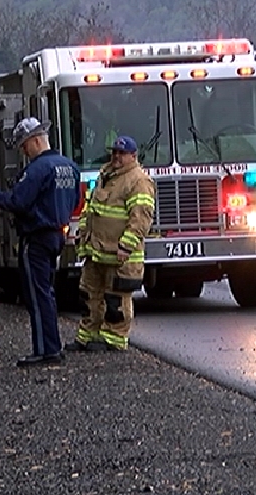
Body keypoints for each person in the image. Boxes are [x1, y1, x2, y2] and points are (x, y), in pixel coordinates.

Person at [0, 118, 80, 367]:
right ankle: (51, 345)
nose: (23, 151)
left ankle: (45, 350)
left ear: (35, 141)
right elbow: (76, 200)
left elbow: (17, 202)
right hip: (56, 234)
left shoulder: (37, 170)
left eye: (24, 145)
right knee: (47, 292)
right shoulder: (69, 166)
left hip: (36, 237)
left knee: (36, 295)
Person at [67, 135, 155, 352]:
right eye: (114, 152)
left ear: (133, 156)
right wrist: (83, 237)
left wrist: (126, 246)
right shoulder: (105, 175)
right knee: (90, 296)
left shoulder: (138, 181)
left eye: (122, 153)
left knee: (116, 300)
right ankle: (88, 337)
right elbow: (91, 210)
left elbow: (140, 218)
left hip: (119, 255)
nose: (116, 156)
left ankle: (114, 340)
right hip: (96, 252)